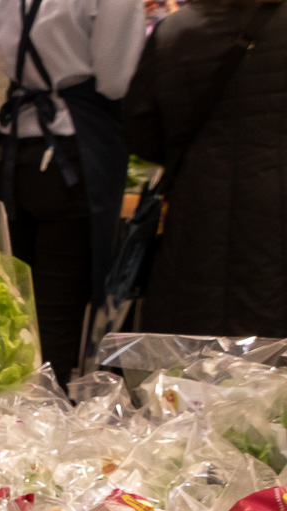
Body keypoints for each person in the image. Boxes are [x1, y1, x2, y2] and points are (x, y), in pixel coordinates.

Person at [0, 0, 143, 383]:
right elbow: (116, 79)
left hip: (14, 151)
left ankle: (7, 418)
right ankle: (44, 423)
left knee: (12, 306)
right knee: (56, 316)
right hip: (73, 156)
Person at [123, 0, 287, 337]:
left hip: (195, 218)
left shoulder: (175, 31)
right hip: (275, 222)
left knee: (195, 360)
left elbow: (139, 133)